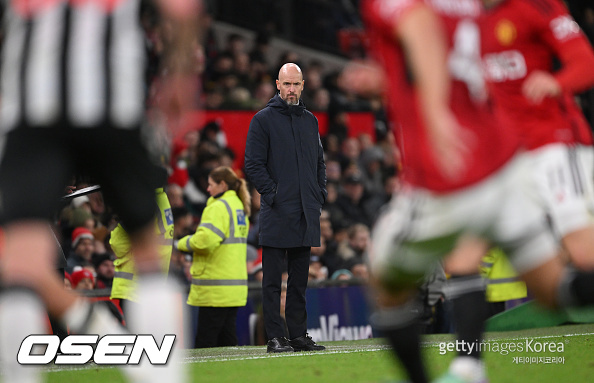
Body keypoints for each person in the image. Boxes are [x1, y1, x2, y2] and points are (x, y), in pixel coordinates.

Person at [344, 1, 594, 382]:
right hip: (502, 157)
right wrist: (387, 80)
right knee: (545, 287)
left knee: (384, 276)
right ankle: (469, 365)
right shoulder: (469, 11)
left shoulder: (529, 8)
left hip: (503, 157)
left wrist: (436, 113)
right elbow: (443, 61)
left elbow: (419, 27)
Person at [0, 2, 199, 383]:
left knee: (22, 263)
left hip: (32, 111)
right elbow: (182, 8)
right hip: (112, 107)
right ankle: (162, 376)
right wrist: (181, 74)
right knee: (147, 252)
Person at [438, 1, 594, 380]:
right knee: (462, 254)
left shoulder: (537, 7)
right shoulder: (464, 20)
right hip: (504, 156)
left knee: (584, 256)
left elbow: (585, 62)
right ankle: (467, 367)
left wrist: (557, 82)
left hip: (554, 145)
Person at [244, 63, 327, 353]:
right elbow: (252, 164)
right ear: (277, 85)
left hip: (306, 210)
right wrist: (273, 194)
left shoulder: (310, 121)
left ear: (303, 85)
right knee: (272, 282)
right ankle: (275, 338)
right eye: (286, 84)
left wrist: (319, 193)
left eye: (296, 84)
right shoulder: (262, 120)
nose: (291, 89)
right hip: (278, 211)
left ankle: (299, 336)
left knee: (299, 283)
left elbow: (319, 162)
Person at [176, 166, 250, 348]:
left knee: (206, 342)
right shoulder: (238, 206)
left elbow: (204, 241)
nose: (208, 189)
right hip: (233, 285)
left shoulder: (218, 207)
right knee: (227, 338)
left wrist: (180, 243)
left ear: (222, 184)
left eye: (211, 185)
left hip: (216, 286)